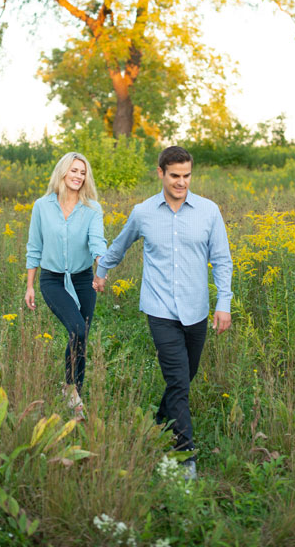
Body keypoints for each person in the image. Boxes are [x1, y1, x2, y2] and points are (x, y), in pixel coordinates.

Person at [93, 145, 232, 480]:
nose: (181, 182)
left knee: (184, 378)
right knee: (178, 381)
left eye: (186, 176)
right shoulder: (143, 213)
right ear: (161, 173)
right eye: (175, 176)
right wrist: (102, 271)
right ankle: (185, 460)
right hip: (159, 310)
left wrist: (223, 302)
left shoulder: (209, 212)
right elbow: (121, 244)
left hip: (196, 310)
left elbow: (222, 260)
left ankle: (158, 423)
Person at [25, 152, 107, 417]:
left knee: (80, 335)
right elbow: (34, 246)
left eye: (82, 173)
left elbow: (97, 241)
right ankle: (73, 394)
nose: (78, 176)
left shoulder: (92, 208)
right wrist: (30, 286)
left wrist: (100, 267)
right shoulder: (42, 206)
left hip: (84, 279)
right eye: (74, 170)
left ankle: (73, 391)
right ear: (62, 172)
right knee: (77, 328)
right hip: (53, 280)